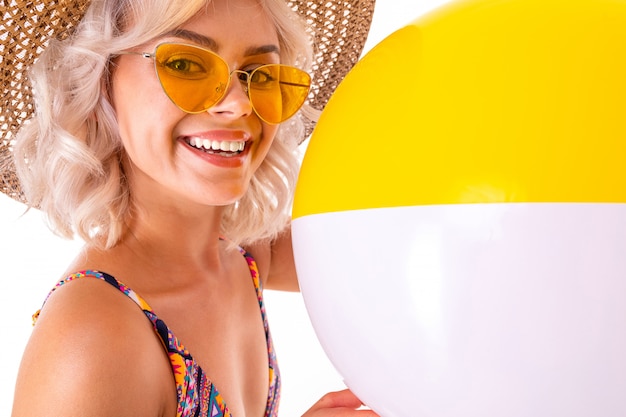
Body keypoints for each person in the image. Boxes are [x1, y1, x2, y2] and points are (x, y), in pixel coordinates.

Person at [0, 0, 378, 416]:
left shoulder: (244, 255)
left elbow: (379, 254)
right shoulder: (92, 337)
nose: (238, 105)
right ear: (100, 83)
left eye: (259, 74)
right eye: (185, 65)